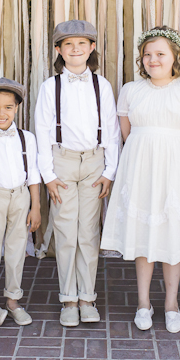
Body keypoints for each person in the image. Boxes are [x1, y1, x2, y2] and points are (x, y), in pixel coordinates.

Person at [100, 26, 180, 333]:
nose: (152, 59)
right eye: (147, 54)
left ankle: (171, 305)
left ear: (176, 57)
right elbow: (126, 134)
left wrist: (172, 161)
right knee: (144, 235)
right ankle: (143, 303)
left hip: (175, 169)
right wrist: (146, 155)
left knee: (170, 234)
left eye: (160, 54)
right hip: (140, 168)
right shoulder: (131, 90)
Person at [34, 20, 120, 327]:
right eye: (68, 44)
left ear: (92, 48)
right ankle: (68, 299)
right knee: (66, 232)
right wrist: (48, 176)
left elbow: (111, 130)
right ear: (58, 50)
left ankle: (88, 297)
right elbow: (42, 132)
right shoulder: (50, 86)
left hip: (95, 162)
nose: (75, 49)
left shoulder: (103, 85)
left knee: (88, 233)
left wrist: (110, 171)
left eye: (82, 43)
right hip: (63, 163)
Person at [0, 78, 41, 327]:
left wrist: (36, 206)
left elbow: (33, 173)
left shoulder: (27, 138)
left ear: (17, 108)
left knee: (16, 250)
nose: (1, 113)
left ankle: (13, 300)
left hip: (21, 196)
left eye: (8, 107)